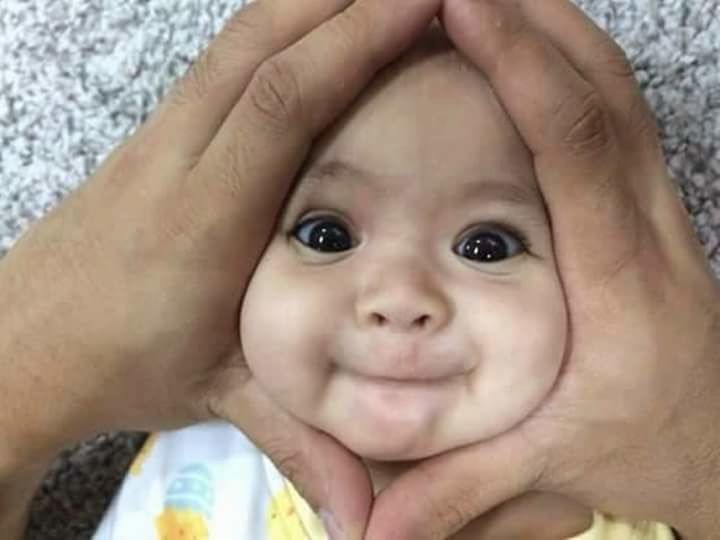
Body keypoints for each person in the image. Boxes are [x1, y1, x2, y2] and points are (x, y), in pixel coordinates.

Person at [0, 0, 717, 539]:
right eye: (326, 234)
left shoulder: (662, 485)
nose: (400, 298)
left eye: (487, 246)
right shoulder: (197, 460)